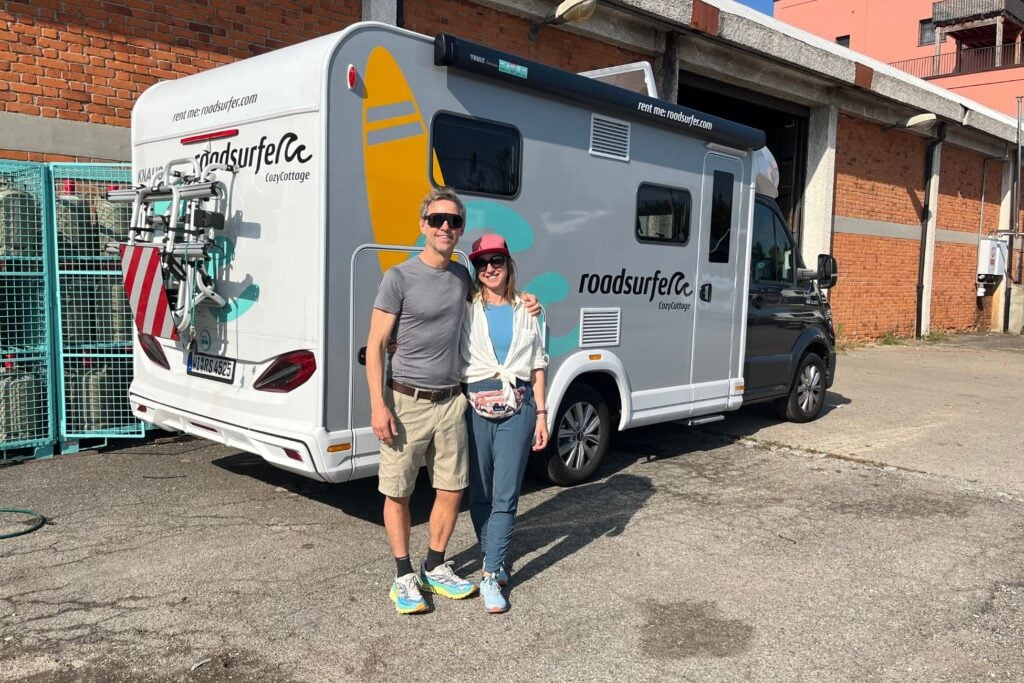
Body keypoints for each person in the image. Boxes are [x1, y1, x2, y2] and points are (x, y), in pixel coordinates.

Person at [366, 188, 539, 615]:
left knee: (452, 487)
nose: (445, 227)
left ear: (460, 229)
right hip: (406, 399)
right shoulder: (398, 277)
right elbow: (376, 345)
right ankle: (403, 574)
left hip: (451, 401)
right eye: (437, 219)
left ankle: (434, 566)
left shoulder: (463, 277)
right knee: (399, 490)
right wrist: (378, 405)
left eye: (454, 221)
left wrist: (528, 300)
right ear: (423, 225)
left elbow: (496, 301)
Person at [461, 234, 549, 614]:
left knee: (505, 494)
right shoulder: (466, 309)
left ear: (508, 264)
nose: (489, 268)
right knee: (479, 494)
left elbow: (538, 364)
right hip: (474, 406)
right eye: (481, 263)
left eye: (496, 260)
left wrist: (542, 414)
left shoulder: (527, 310)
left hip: (520, 406)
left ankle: (490, 573)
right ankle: (492, 558)